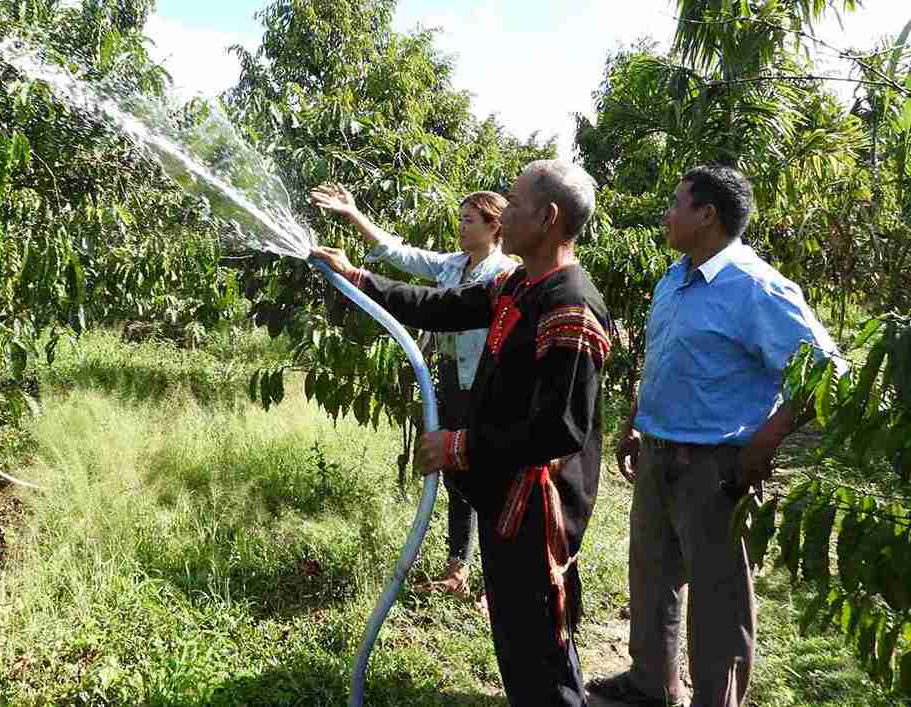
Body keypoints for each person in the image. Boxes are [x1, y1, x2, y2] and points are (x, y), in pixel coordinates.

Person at [312, 160, 611, 707]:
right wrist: (359, 278)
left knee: (538, 641)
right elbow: (444, 306)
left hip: (535, 508)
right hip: (503, 496)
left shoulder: (569, 307)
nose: (504, 214)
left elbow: (559, 430)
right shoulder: (518, 284)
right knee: (516, 637)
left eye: (514, 205)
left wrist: (462, 445)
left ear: (546, 218)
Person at [587, 166, 838, 707]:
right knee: (652, 580)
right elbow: (667, 359)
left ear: (707, 214)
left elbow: (826, 372)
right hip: (658, 455)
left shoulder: (755, 286)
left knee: (718, 598)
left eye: (677, 202)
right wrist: (637, 420)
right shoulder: (673, 279)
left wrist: (766, 441)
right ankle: (651, 684)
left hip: (717, 467)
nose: (666, 213)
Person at [309, 182, 513, 605]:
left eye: (469, 220)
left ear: (494, 228)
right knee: (456, 472)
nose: (460, 227)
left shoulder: (504, 275)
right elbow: (401, 254)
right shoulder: (453, 266)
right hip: (451, 380)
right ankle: (458, 566)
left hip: (487, 385)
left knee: (489, 476)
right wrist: (353, 215)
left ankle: (497, 578)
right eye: (459, 218)